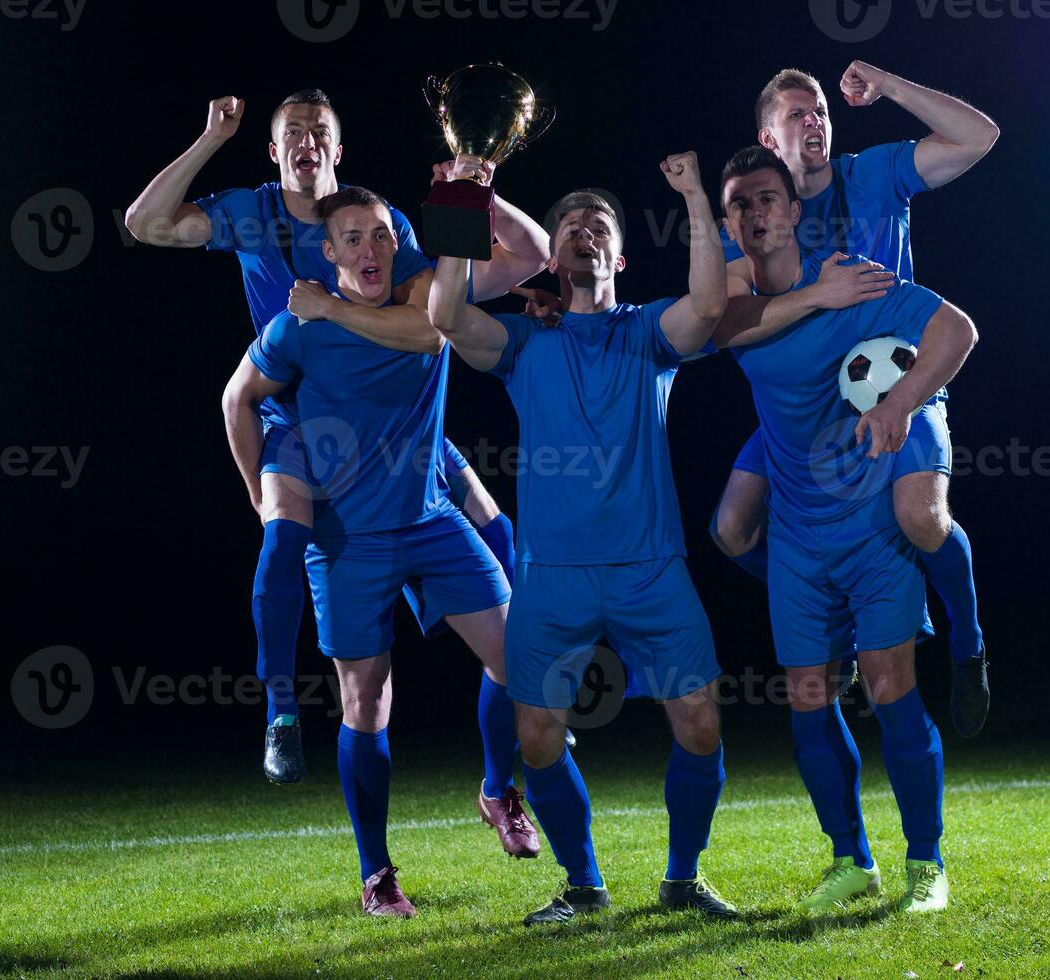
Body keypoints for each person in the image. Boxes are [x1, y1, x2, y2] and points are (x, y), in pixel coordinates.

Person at [124, 90, 549, 782]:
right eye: (292, 131)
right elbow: (145, 223)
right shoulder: (252, 211)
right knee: (283, 535)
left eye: (320, 130)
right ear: (274, 150)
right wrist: (209, 139)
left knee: (497, 529)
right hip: (299, 424)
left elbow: (458, 299)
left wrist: (477, 193)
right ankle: (282, 713)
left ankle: (523, 735)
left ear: (337, 149)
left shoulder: (383, 225)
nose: (306, 140)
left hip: (396, 429)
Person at [429, 152, 741, 925]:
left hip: (650, 569)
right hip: (552, 575)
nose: (581, 233)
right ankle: (581, 884)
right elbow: (445, 314)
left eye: (597, 225)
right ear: (557, 251)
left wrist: (695, 196)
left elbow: (708, 302)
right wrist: (461, 199)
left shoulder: (649, 334)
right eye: (569, 226)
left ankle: (682, 878)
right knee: (535, 736)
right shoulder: (524, 342)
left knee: (700, 722)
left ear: (618, 255)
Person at [222, 186, 541, 918]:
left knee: (520, 659)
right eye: (351, 239)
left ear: (398, 241)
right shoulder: (295, 329)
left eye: (379, 235)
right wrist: (254, 492)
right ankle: (376, 874)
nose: (368, 249)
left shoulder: (428, 294)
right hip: (347, 542)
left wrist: (477, 189)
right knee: (365, 702)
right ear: (326, 252)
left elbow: (509, 272)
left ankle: (496, 790)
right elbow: (236, 397)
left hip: (430, 521)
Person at [713, 145, 978, 913]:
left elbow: (955, 331)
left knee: (891, 683)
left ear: (794, 209)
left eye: (767, 198)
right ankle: (848, 860)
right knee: (805, 695)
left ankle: (925, 864)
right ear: (729, 224)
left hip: (867, 520)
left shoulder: (855, 278)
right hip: (795, 532)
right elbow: (704, 333)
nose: (755, 213)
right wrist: (808, 300)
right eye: (739, 205)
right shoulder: (734, 307)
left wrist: (898, 406)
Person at [711, 65, 999, 736]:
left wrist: (891, 87)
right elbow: (725, 322)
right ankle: (836, 611)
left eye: (818, 111)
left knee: (919, 519)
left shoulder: (872, 174)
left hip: (895, 385)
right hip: (808, 410)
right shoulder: (757, 214)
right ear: (765, 135)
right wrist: (814, 297)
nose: (812, 120)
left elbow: (979, 136)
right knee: (730, 528)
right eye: (795, 114)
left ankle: (967, 641)